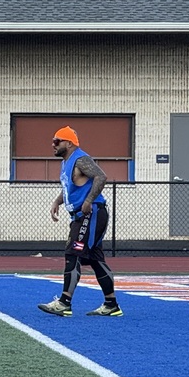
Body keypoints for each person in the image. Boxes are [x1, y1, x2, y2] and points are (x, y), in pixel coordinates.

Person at [38, 126, 123, 317]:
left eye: (57, 141)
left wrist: (88, 200)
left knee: (73, 253)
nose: (53, 144)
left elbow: (101, 176)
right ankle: (111, 304)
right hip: (83, 215)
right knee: (94, 258)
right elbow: (70, 186)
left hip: (90, 214)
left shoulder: (81, 159)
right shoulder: (67, 162)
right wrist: (57, 201)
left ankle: (64, 303)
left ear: (68, 143)